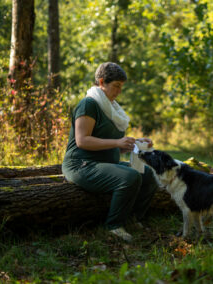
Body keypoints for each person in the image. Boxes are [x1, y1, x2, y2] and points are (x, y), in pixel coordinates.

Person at [62, 62, 158, 242]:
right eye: (116, 86)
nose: (119, 91)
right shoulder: (88, 104)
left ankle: (133, 219)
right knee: (130, 177)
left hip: (105, 164)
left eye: (121, 87)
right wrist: (117, 141)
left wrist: (134, 143)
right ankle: (113, 226)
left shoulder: (112, 109)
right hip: (81, 165)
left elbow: (113, 144)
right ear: (101, 82)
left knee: (148, 172)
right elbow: (82, 140)